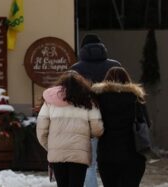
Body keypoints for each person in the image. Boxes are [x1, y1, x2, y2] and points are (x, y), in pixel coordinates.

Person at [70, 33, 122, 187]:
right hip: (114, 124)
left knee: (89, 165)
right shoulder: (115, 66)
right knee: (113, 165)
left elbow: (69, 97)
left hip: (85, 123)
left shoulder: (75, 69)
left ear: (82, 49)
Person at [37, 70, 103, 187]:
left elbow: (41, 129)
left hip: (57, 153)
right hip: (79, 152)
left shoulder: (50, 102)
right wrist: (90, 135)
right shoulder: (89, 101)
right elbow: (97, 128)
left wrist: (51, 147)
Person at [93, 67, 148, 187]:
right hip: (133, 155)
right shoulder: (136, 98)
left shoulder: (98, 98)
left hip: (107, 155)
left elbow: (94, 125)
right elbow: (146, 123)